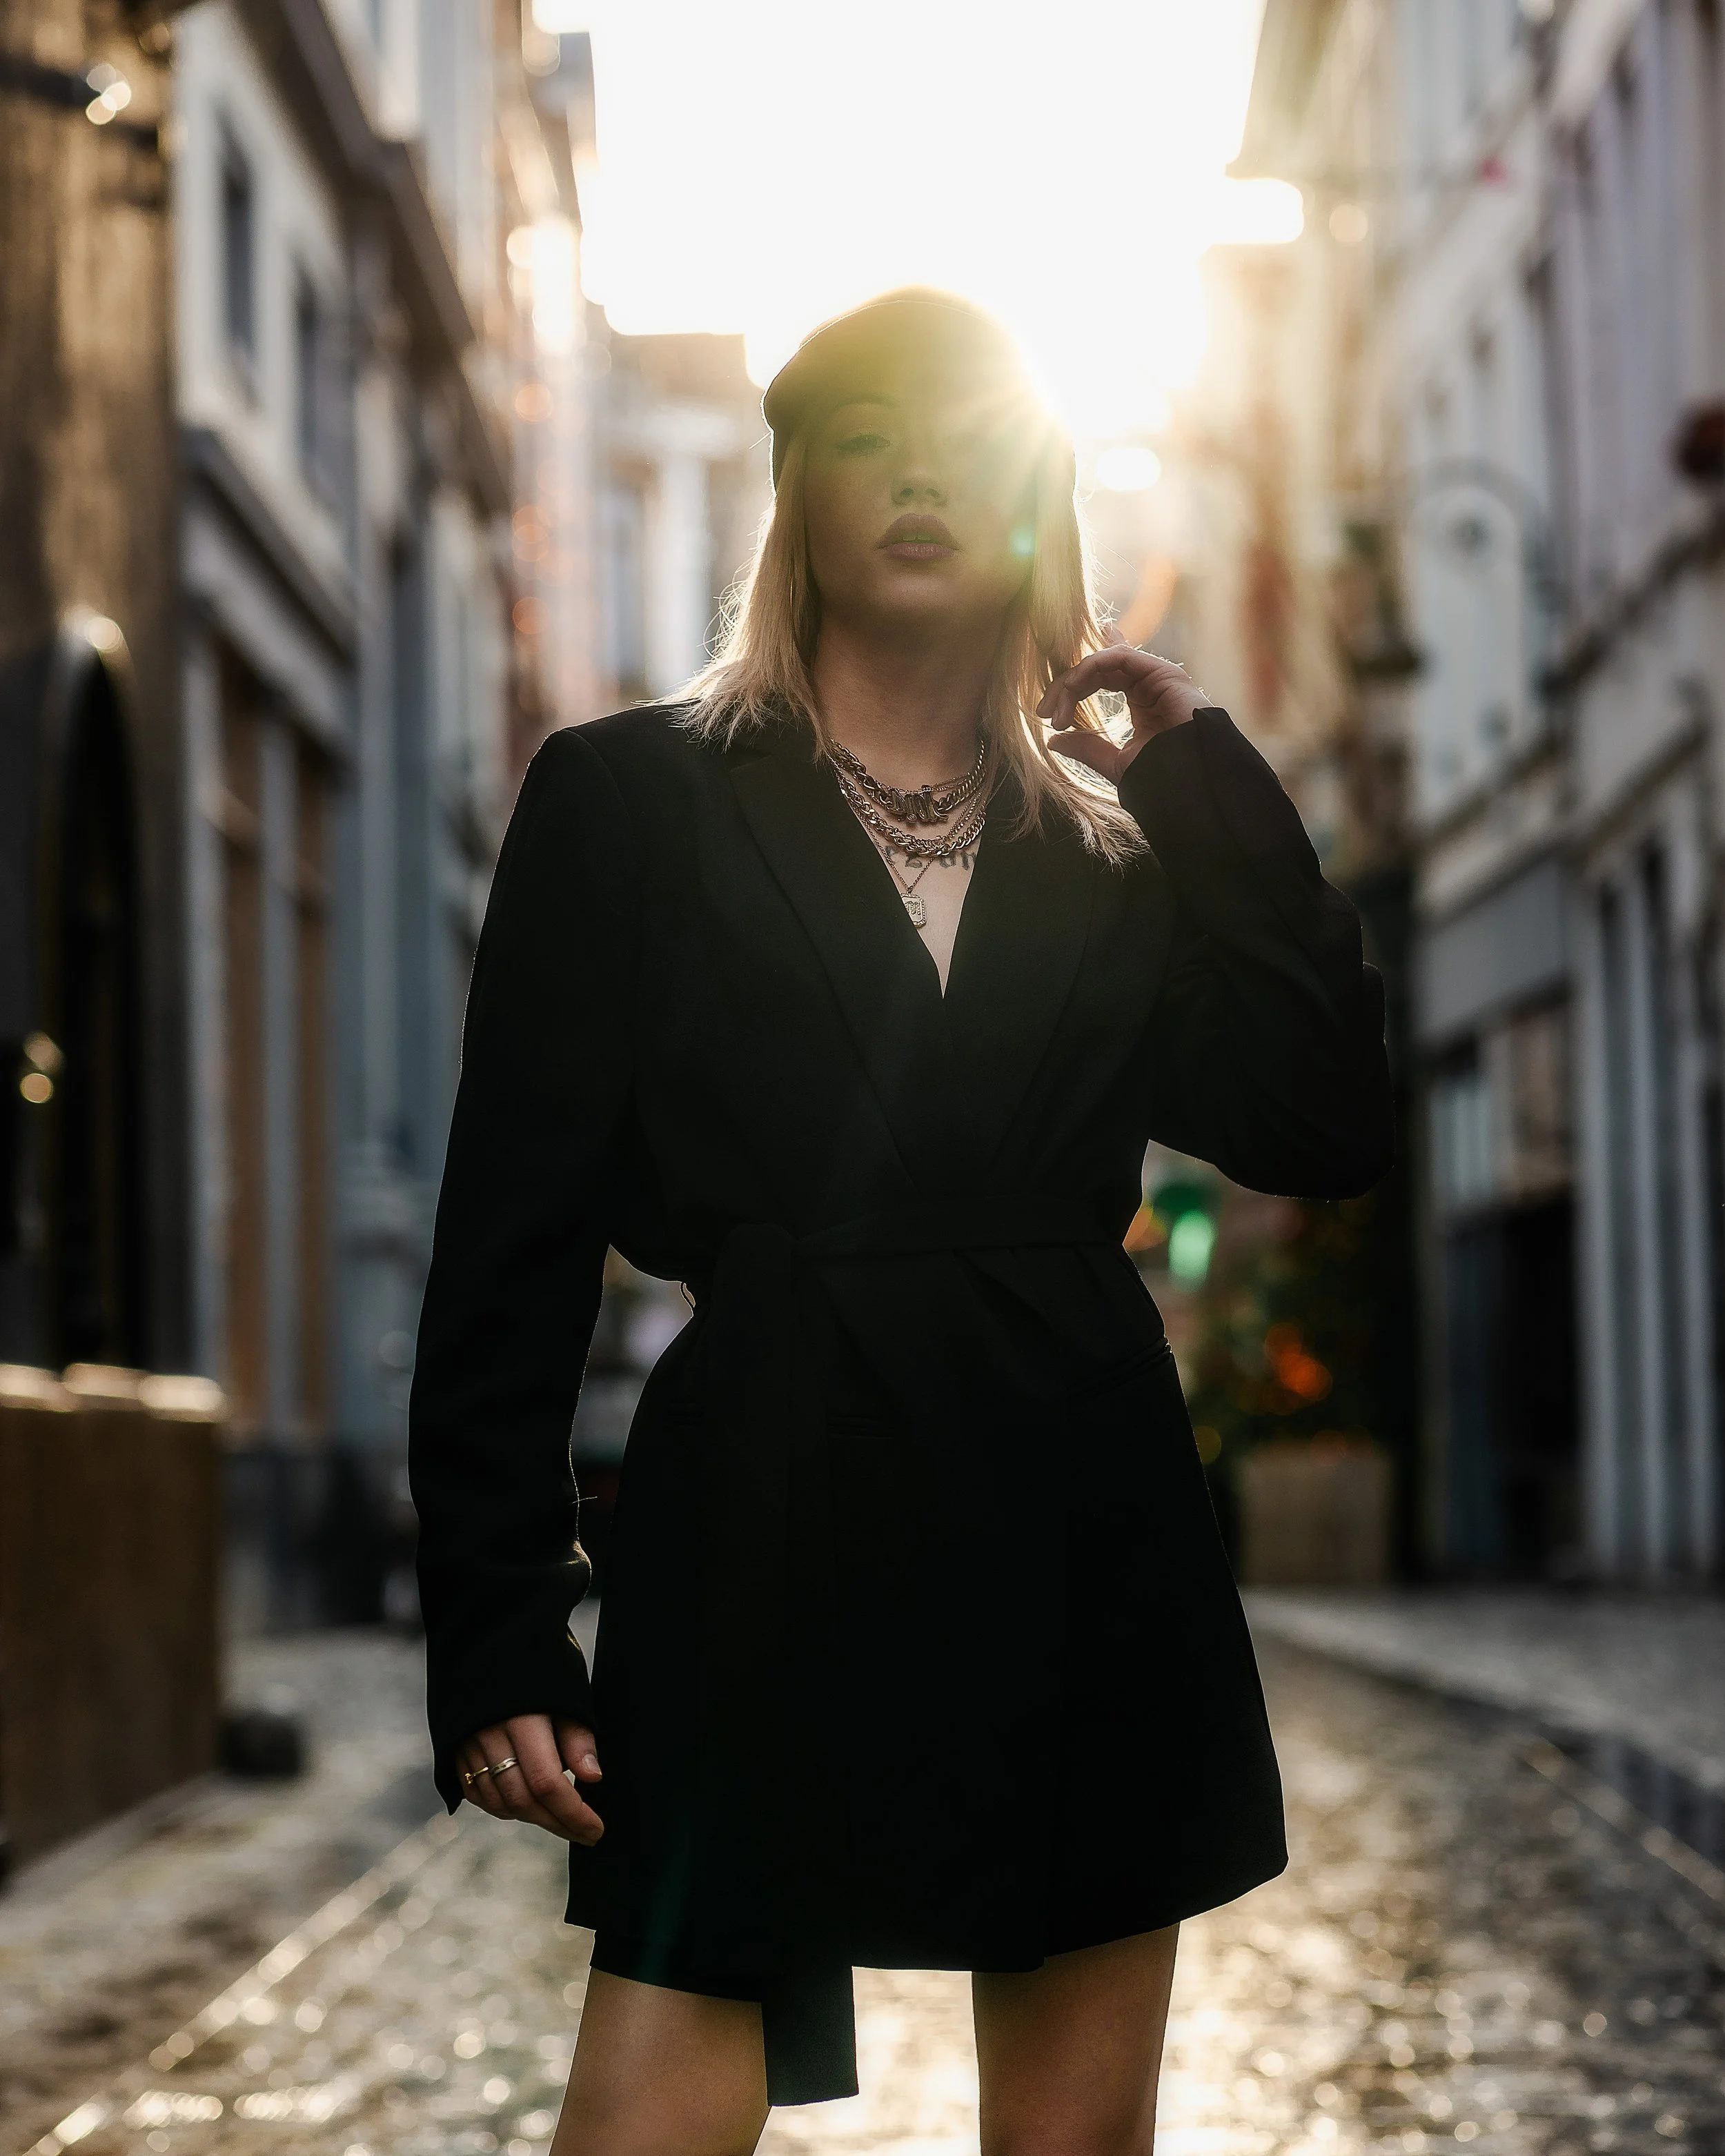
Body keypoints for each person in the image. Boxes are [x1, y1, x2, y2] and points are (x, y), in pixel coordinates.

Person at [408, 287, 1394, 2156]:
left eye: (968, 438)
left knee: (1073, 2139)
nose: (920, 471)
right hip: (763, 1512)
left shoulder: (1111, 853)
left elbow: (1318, 1117)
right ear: (798, 496)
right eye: (867, 435)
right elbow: (507, 1242)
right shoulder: (627, 803)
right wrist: (501, 1624)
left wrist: (1201, 783)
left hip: (1079, 1507)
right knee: (646, 2117)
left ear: (1037, 505)